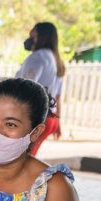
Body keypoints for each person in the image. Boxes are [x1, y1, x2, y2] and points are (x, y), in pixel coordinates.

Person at [17, 22, 65, 155]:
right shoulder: (56, 60)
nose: (29, 39)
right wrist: (58, 121)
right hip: (51, 118)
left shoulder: (37, 57)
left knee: (21, 161)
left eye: (33, 35)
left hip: (37, 118)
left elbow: (25, 88)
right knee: (27, 158)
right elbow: (57, 96)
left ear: (42, 37)